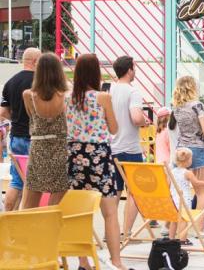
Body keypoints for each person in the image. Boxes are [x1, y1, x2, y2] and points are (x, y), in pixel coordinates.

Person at [66, 53, 128, 270]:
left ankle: (83, 262)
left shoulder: (67, 98)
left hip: (74, 155)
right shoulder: (103, 97)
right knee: (109, 212)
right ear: (95, 73)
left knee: (81, 213)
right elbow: (114, 128)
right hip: (98, 156)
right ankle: (116, 261)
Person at [22, 53, 69, 208]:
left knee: (30, 198)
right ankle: (50, 222)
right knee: (57, 199)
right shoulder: (66, 95)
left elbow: (31, 116)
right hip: (60, 148)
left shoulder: (28, 95)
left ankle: (28, 224)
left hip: (38, 148)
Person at [110, 55, 148, 237]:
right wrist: (145, 121)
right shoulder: (133, 92)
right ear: (129, 70)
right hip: (130, 149)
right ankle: (126, 232)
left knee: (115, 190)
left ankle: (110, 230)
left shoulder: (110, 90)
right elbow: (136, 117)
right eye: (135, 68)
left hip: (112, 147)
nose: (136, 71)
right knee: (134, 191)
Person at [0, 47, 41, 211]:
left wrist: (16, 119)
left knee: (16, 181)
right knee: (34, 183)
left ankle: (8, 215)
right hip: (35, 138)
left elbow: (3, 112)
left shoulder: (11, 82)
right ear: (35, 61)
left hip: (16, 138)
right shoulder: (40, 83)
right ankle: (29, 217)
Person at [172, 76, 204, 230]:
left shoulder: (176, 107)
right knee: (201, 192)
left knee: (179, 190)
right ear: (192, 87)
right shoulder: (198, 105)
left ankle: (177, 226)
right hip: (198, 148)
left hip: (181, 149)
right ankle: (199, 228)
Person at [168, 147, 204, 245]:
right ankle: (182, 240)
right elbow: (196, 183)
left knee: (174, 220)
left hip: (173, 199)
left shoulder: (172, 171)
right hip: (183, 200)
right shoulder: (188, 173)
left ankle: (171, 239)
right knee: (184, 219)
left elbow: (168, 184)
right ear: (188, 161)